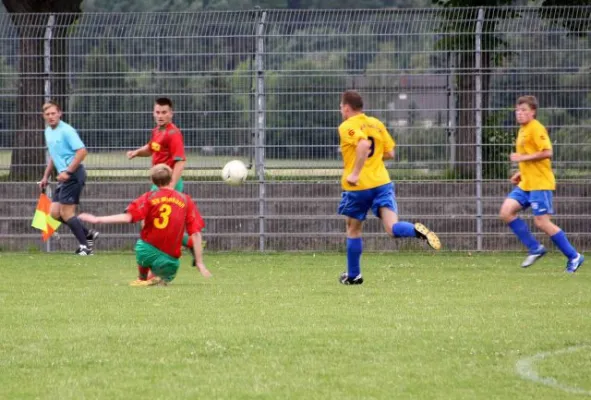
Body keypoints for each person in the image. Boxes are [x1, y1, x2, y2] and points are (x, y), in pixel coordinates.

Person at [337, 90, 441, 285]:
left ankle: (354, 275)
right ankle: (416, 231)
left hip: (359, 187)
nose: (341, 110)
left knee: (353, 230)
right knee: (392, 228)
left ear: (347, 108)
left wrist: (355, 172)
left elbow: (363, 145)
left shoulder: (347, 126)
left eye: (341, 107)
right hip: (382, 183)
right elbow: (390, 152)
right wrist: (373, 160)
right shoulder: (376, 123)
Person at [79, 164, 211, 286]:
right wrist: (199, 262)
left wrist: (97, 219)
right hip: (169, 259)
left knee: (142, 246)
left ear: (152, 181)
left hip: (145, 252)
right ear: (172, 180)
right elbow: (196, 233)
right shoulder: (185, 200)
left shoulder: (148, 197)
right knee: (163, 274)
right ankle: (157, 278)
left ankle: (142, 278)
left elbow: (127, 217)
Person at [499, 95, 584, 273]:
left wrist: (521, 158)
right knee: (506, 212)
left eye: (524, 111)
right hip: (526, 183)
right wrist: (521, 173)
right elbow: (532, 156)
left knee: (542, 222)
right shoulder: (522, 130)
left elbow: (547, 152)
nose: (520, 113)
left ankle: (573, 256)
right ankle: (535, 248)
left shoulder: (536, 128)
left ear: (533, 112)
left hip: (540, 183)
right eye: (518, 110)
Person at [125, 97, 199, 266]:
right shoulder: (157, 131)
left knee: (151, 223)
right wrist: (136, 152)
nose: (160, 116)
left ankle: (158, 262)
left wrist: (172, 185)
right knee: (154, 224)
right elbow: (151, 148)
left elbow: (180, 161)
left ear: (171, 114)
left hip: (169, 183)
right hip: (159, 183)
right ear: (153, 113)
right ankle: (189, 244)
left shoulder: (173, 134)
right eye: (157, 112)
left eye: (164, 112)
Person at [38, 101, 99, 255]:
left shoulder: (67, 130)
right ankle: (87, 233)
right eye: (48, 114)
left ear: (60, 113)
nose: (51, 117)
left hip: (74, 174)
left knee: (66, 213)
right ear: (43, 116)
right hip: (63, 178)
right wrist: (45, 176)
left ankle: (86, 247)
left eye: (53, 113)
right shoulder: (48, 132)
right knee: (54, 213)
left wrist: (68, 172)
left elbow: (82, 152)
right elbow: (54, 155)